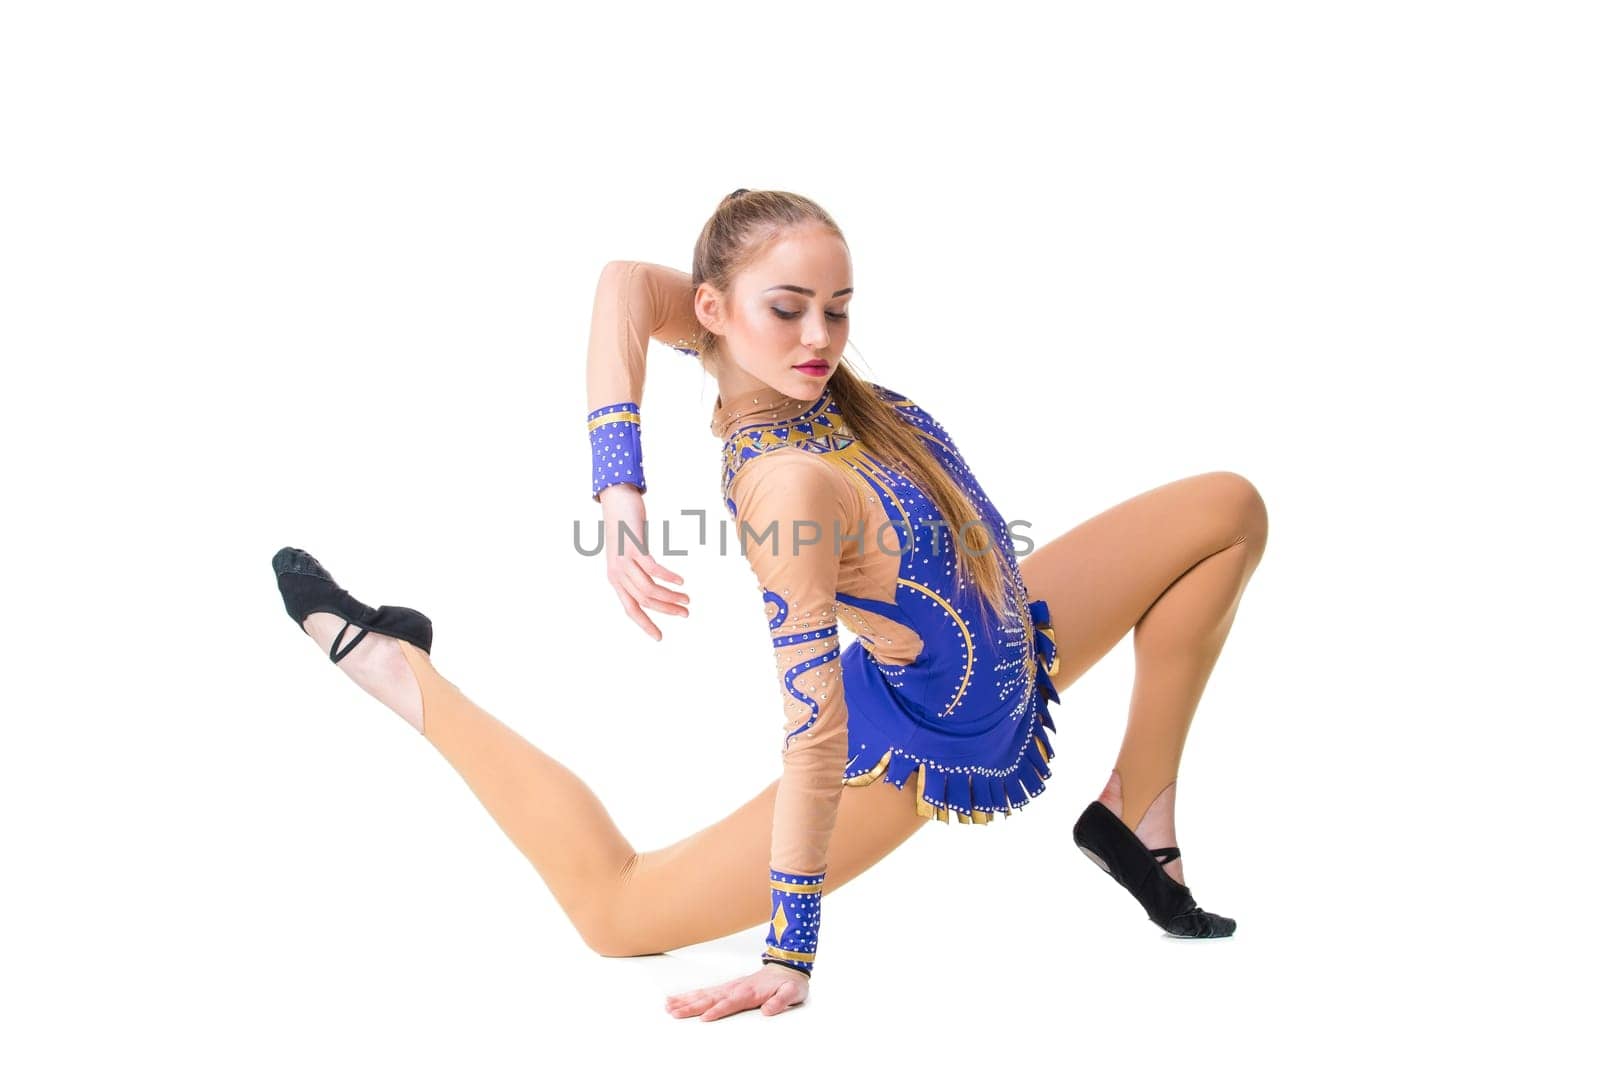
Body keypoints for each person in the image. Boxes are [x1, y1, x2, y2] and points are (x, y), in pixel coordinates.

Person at [270, 188, 1269, 1023]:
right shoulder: (783, 484)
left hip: (1020, 627)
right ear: (713, 313)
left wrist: (621, 489)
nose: (819, 338)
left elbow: (624, 284)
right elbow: (811, 733)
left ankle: (1136, 813)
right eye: (786, 309)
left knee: (1226, 510)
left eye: (838, 307)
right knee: (616, 910)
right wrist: (790, 950)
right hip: (922, 732)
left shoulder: (797, 373)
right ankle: (400, 667)